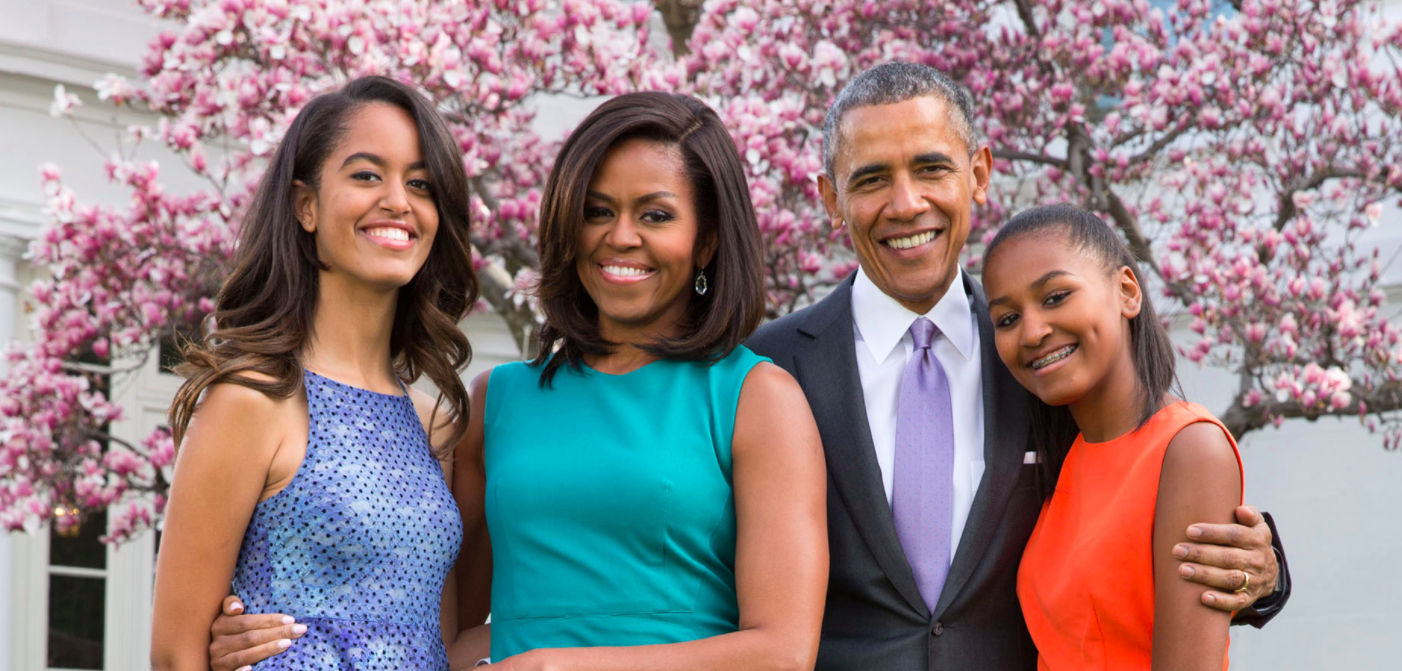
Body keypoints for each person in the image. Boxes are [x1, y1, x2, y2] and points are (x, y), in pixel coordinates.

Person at [201, 91, 829, 671]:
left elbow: (783, 651)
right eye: (596, 211)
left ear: (708, 240)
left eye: (656, 215)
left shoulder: (757, 399)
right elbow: (435, 632)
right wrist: (274, 635)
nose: (621, 238)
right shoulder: (497, 402)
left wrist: (564, 667)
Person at [744, 62, 1290, 670]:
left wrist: (1261, 575)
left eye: (931, 168)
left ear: (978, 174)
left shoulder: (1041, 357)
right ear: (831, 200)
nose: (906, 204)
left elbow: (1132, 494)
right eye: (871, 179)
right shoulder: (771, 368)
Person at [150, 76, 487, 670]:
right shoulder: (253, 399)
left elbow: (443, 641)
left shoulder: (436, 425)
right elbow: (177, 656)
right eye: (365, 175)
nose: (397, 201)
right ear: (306, 204)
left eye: (420, 184)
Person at [982, 203, 1243, 669]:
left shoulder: (1189, 449)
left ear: (1126, 291)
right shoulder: (1066, 457)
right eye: (1007, 319)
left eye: (1056, 296)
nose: (1032, 332)